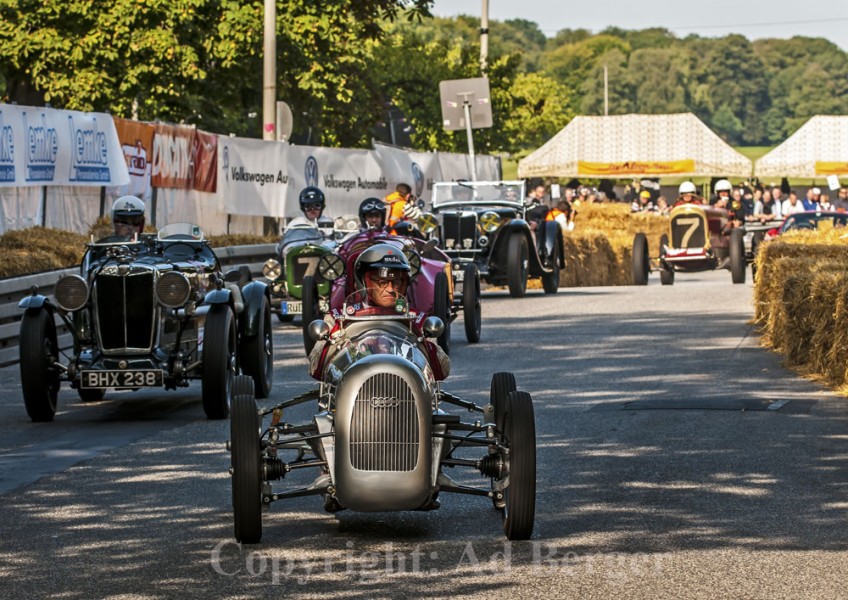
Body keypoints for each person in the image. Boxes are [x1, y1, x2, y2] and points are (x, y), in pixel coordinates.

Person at [308, 244, 450, 380]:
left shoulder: (418, 320)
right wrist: (332, 342)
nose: (390, 289)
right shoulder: (338, 318)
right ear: (363, 282)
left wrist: (427, 344)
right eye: (382, 282)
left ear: (404, 283)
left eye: (396, 282)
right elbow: (315, 368)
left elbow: (441, 370)